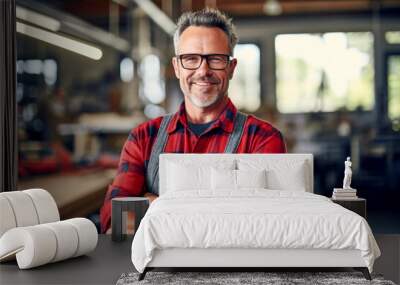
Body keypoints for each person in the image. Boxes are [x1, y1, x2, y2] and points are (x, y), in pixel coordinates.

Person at [100, 8, 287, 233]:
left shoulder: (263, 140)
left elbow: (265, 228)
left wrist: (155, 204)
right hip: (154, 267)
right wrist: (219, 210)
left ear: (231, 68)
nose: (203, 71)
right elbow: (114, 224)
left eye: (215, 59)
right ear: (177, 67)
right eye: (190, 59)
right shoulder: (143, 138)